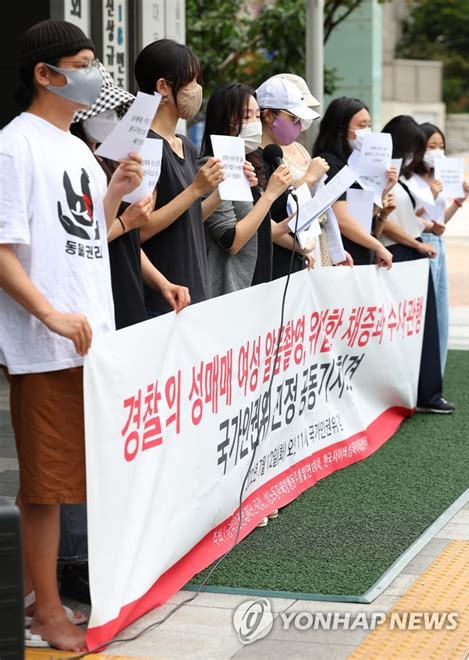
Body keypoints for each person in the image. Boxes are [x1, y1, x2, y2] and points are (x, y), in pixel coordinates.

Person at [0, 19, 144, 651]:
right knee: (48, 483)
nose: (97, 74)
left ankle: (50, 599)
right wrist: (49, 314)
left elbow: (86, 236)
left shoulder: (78, 148)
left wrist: (113, 193)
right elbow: (3, 249)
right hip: (49, 345)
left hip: (92, 341)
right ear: (45, 73)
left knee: (72, 478)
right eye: (83, 62)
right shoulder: (16, 145)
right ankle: (46, 610)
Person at [57, 62, 191, 606]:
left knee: (108, 436)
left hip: (117, 307)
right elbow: (87, 240)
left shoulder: (102, 163)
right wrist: (126, 217)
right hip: (78, 321)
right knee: (73, 445)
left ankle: (98, 550)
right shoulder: (77, 162)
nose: (119, 121)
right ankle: (73, 562)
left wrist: (160, 281)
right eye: (112, 113)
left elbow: (117, 245)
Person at [134, 39, 226, 317]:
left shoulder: (185, 144)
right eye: (191, 81)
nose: (197, 90)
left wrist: (219, 191)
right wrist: (196, 189)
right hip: (161, 299)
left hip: (192, 291)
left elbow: (188, 218)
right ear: (163, 87)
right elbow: (139, 230)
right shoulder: (144, 146)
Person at [380, 115, 455, 414]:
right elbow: (386, 222)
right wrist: (417, 242)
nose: (422, 155)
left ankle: (425, 389)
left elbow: (408, 219)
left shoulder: (399, 176)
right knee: (412, 326)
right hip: (401, 252)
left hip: (412, 249)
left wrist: (423, 227)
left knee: (424, 324)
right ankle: (423, 391)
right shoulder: (390, 176)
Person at [199, 81, 293, 296]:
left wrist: (296, 221)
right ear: (224, 120)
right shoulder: (211, 167)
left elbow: (262, 230)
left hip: (256, 286)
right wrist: (269, 194)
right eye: (245, 116)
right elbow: (232, 241)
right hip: (230, 292)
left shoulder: (247, 165)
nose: (254, 123)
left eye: (257, 116)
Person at [406, 122, 469, 373]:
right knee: (426, 312)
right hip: (419, 245)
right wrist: (430, 198)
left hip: (437, 244)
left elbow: (439, 223)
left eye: (441, 146)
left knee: (441, 311)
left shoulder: (440, 177)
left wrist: (458, 201)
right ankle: (421, 376)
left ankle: (436, 376)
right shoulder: (408, 178)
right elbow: (405, 217)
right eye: (432, 146)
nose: (438, 151)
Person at [255, 76, 326, 278]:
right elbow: (261, 220)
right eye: (294, 118)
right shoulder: (252, 160)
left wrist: (302, 246)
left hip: (291, 260)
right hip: (268, 267)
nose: (298, 125)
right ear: (268, 116)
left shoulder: (274, 156)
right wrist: (298, 246)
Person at [312, 97, 395, 267]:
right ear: (341, 130)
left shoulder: (356, 164)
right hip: (343, 260)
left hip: (363, 256)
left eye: (369, 125)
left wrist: (383, 190)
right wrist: (378, 246)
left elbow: (361, 219)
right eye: (361, 125)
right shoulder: (329, 164)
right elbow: (342, 220)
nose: (367, 131)